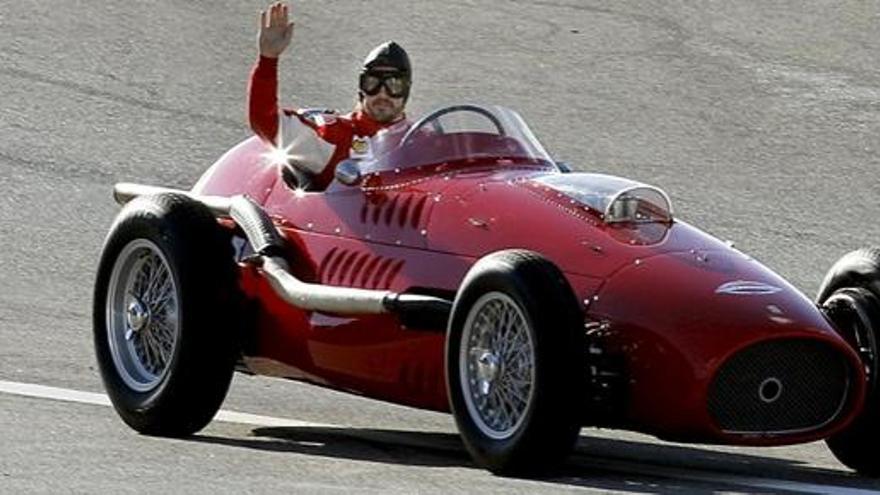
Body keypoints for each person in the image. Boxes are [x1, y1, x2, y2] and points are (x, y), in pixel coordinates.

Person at [249, 1, 412, 190]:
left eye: (394, 85)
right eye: (373, 83)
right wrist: (268, 59)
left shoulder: (424, 141)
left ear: (406, 90)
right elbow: (265, 121)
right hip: (341, 218)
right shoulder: (334, 136)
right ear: (361, 88)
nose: (383, 93)